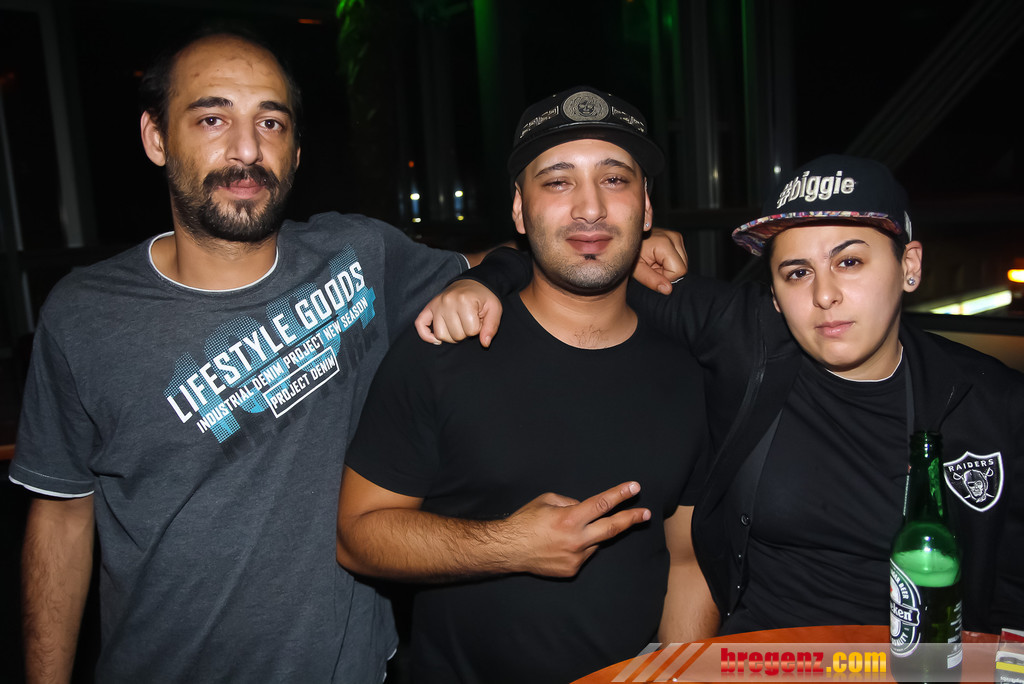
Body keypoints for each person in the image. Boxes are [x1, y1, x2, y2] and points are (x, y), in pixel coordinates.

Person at [9, 29, 474, 683]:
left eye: (271, 122)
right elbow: (61, 516)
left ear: (297, 150)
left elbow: (507, 267)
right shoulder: (83, 316)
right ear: (156, 138)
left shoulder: (360, 259)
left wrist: (502, 276)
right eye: (212, 118)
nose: (248, 150)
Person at [417, 154, 1024, 636]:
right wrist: (487, 278)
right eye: (797, 272)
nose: (825, 296)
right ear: (774, 292)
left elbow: (1010, 594)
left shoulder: (986, 401)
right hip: (760, 659)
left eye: (850, 262)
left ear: (909, 266)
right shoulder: (744, 336)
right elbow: (571, 261)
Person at [335, 86, 716, 684]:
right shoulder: (444, 347)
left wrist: (683, 671)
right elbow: (358, 536)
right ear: (519, 210)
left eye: (615, 180)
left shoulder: (692, 368)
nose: (590, 208)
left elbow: (688, 557)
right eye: (558, 181)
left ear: (646, 209)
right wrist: (509, 544)